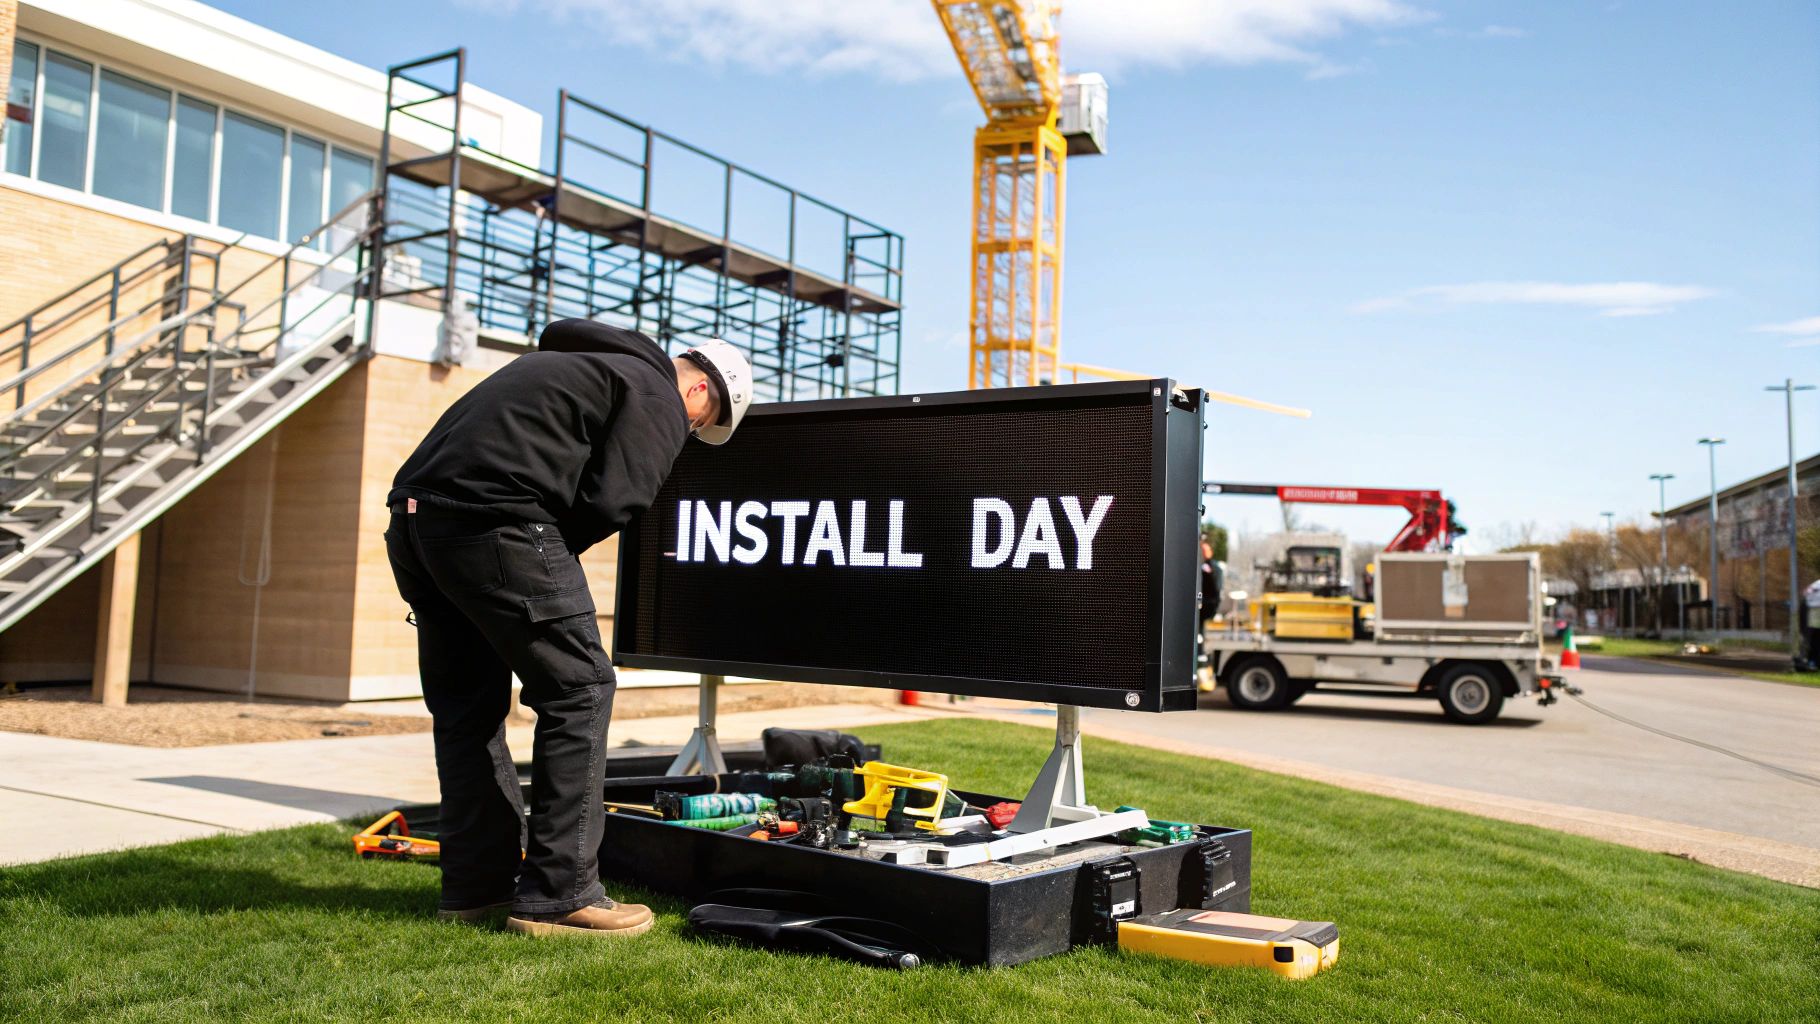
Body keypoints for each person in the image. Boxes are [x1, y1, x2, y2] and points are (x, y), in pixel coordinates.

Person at [385, 318, 751, 938]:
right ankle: (561, 895)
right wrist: (548, 559)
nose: (688, 433)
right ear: (699, 393)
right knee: (580, 689)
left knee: (467, 710)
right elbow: (617, 499)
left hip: (416, 525)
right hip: (497, 523)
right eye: (700, 423)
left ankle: (477, 889)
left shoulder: (573, 365)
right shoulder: (658, 391)